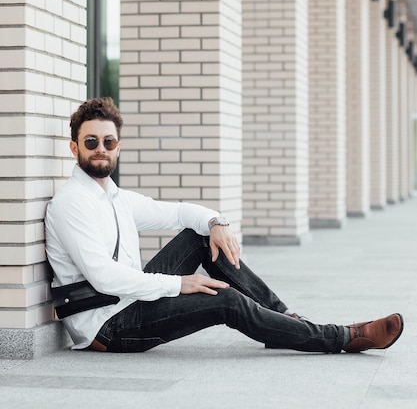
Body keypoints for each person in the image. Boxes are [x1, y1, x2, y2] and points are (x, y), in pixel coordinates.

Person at [45, 97, 404, 354]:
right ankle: (339, 336)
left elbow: (182, 213)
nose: (100, 149)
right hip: (107, 327)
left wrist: (217, 222)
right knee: (227, 301)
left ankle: (282, 319)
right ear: (74, 148)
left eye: (108, 142)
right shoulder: (72, 202)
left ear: (118, 147)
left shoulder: (116, 198)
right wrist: (180, 284)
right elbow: (103, 277)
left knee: (201, 236)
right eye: (91, 142)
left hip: (128, 301)